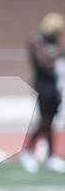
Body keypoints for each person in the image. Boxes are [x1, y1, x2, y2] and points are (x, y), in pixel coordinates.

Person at [20, 12, 65, 173]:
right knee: (44, 120)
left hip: (54, 86)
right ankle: (27, 151)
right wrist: (57, 53)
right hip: (42, 86)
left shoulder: (54, 43)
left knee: (51, 121)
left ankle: (51, 156)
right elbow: (45, 63)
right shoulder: (37, 41)